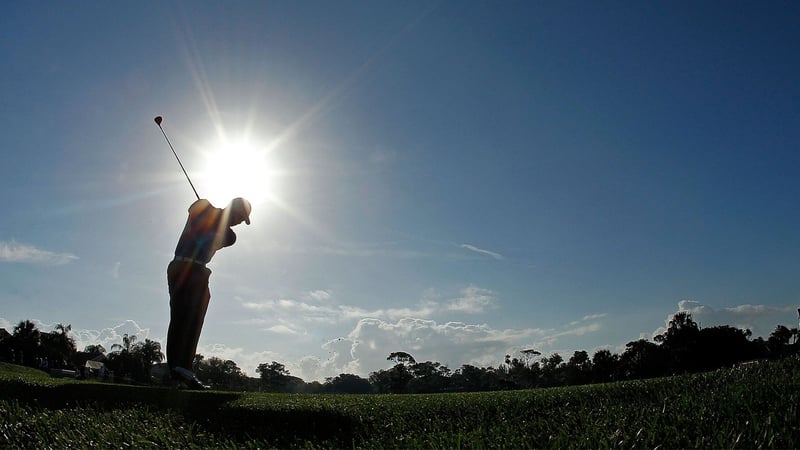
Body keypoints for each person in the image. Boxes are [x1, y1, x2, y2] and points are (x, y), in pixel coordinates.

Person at [167, 197, 251, 389]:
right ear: (231, 208)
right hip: (183, 266)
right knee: (182, 317)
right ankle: (179, 370)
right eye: (239, 216)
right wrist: (211, 211)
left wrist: (213, 215)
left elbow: (217, 236)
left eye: (242, 220)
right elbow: (194, 210)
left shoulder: (230, 236)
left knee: (194, 319)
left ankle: (181, 371)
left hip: (198, 270)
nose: (239, 222)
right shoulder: (205, 207)